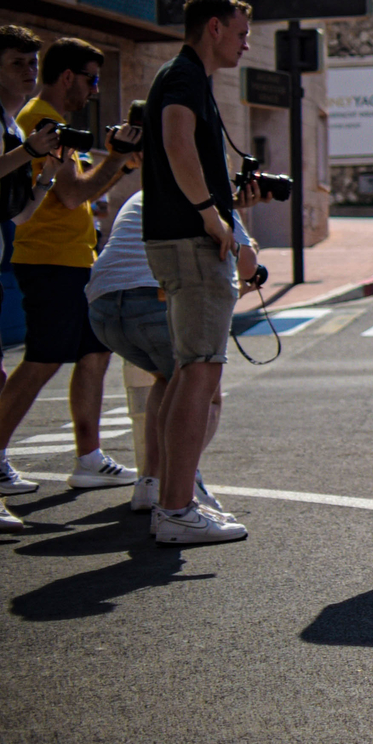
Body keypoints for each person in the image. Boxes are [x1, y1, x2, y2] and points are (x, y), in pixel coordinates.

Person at [0, 36, 144, 499]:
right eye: (92, 79)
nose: (95, 89)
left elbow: (83, 192)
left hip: (75, 260)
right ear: (68, 76)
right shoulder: (40, 121)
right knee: (43, 358)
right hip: (48, 260)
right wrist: (115, 157)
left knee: (95, 355)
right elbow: (73, 194)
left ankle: (90, 459)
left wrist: (116, 163)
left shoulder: (58, 125)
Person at [141, 0, 257, 546]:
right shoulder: (184, 76)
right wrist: (213, 217)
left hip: (178, 238)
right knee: (201, 371)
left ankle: (173, 499)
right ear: (213, 27)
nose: (245, 43)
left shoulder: (184, 76)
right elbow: (175, 142)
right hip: (190, 240)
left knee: (191, 370)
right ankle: (176, 508)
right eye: (240, 33)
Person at [88, 189, 253, 517]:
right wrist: (240, 218)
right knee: (205, 392)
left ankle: (150, 484)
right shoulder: (207, 196)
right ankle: (184, 490)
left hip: (102, 308)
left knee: (169, 378)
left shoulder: (141, 194)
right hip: (154, 300)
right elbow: (247, 266)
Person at [0, 27, 61, 532]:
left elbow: (20, 216)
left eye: (32, 63)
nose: (27, 72)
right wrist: (27, 153)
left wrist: (44, 169)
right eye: (17, 63)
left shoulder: (8, 125)